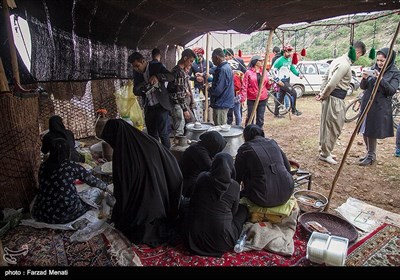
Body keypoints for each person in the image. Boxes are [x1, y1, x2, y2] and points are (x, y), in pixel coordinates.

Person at [100, 119, 183, 247]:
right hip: (165, 199)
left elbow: (123, 189)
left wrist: (119, 211)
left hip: (144, 211)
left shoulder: (123, 154)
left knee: (131, 219)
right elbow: (170, 161)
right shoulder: (147, 141)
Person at [185, 152, 249, 257]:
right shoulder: (234, 186)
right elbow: (234, 211)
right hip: (222, 241)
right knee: (243, 210)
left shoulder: (202, 177)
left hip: (192, 238)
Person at [32, 138, 108, 224]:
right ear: (67, 151)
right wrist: (107, 187)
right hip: (66, 213)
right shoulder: (70, 166)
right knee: (95, 193)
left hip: (44, 213)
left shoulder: (43, 166)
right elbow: (92, 181)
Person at [316, 41, 366, 164]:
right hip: (335, 99)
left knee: (327, 125)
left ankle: (325, 149)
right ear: (357, 52)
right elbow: (332, 82)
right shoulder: (344, 64)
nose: (358, 58)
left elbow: (325, 77)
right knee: (333, 126)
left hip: (330, 98)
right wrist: (323, 94)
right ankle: (325, 153)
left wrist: (322, 93)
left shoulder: (338, 60)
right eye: (360, 55)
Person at [357, 47, 400, 165]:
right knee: (364, 129)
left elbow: (391, 90)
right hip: (367, 103)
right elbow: (363, 87)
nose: (379, 63)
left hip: (379, 106)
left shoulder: (394, 73)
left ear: (389, 60)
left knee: (372, 130)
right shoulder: (373, 68)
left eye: (382, 61)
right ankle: (369, 153)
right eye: (378, 60)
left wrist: (381, 79)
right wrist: (364, 78)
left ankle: (371, 155)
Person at [235, 125, 294, 207]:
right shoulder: (273, 143)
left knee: (247, 171)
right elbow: (288, 168)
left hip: (262, 199)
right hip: (288, 192)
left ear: (246, 137)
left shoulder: (244, 149)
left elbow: (237, 177)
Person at [128, 51, 174, 148]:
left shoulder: (156, 66)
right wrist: (143, 87)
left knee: (163, 133)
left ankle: (167, 158)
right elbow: (135, 91)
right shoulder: (137, 73)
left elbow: (171, 76)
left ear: (143, 61)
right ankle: (156, 155)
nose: (136, 69)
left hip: (161, 105)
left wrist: (157, 76)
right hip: (149, 107)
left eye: (137, 65)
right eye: (134, 67)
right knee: (152, 135)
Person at [179, 131, 227, 198]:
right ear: (212, 145)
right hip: (187, 183)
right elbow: (212, 169)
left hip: (191, 178)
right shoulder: (199, 151)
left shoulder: (200, 146)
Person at [168, 49, 197, 137]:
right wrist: (185, 110)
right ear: (185, 58)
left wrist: (185, 90)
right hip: (176, 103)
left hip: (175, 102)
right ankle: (177, 148)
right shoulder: (179, 72)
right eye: (190, 61)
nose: (191, 64)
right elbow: (179, 93)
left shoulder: (176, 69)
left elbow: (177, 87)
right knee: (179, 129)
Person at [271, 44, 303, 117]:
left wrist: (298, 74)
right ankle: (294, 110)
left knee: (280, 97)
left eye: (291, 51)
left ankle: (276, 113)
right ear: (284, 51)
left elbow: (292, 68)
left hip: (287, 79)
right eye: (288, 52)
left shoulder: (289, 59)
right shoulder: (279, 60)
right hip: (282, 81)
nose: (290, 53)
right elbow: (272, 71)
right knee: (294, 93)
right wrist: (277, 80)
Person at [241, 55, 271, 128]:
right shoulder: (248, 72)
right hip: (252, 98)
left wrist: (270, 84)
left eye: (262, 61)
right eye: (260, 61)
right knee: (250, 117)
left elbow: (267, 85)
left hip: (263, 98)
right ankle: (248, 133)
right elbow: (244, 86)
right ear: (255, 62)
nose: (262, 62)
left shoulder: (264, 72)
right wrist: (243, 98)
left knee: (260, 118)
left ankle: (259, 133)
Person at [209, 48, 235, 125]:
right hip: (224, 101)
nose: (212, 61)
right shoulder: (225, 67)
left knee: (220, 126)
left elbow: (218, 90)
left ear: (217, 57)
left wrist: (209, 89)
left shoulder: (223, 69)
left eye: (212, 58)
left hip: (221, 102)